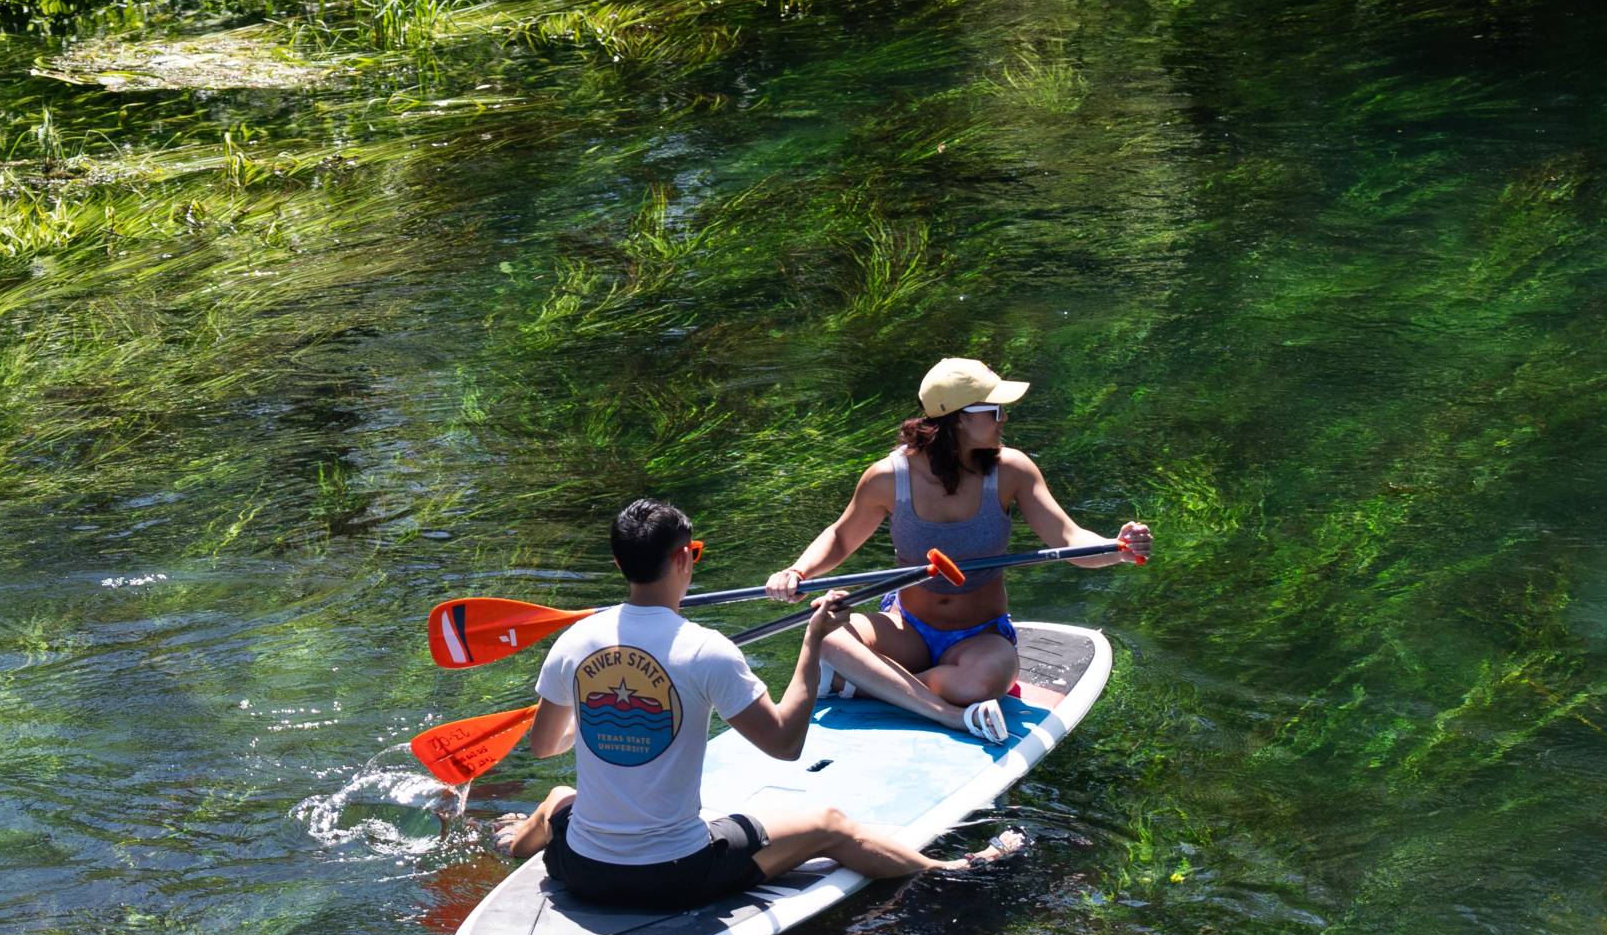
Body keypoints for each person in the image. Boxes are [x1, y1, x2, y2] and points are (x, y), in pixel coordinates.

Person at [493, 496, 1022, 907]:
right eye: (694, 554)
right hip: (677, 874)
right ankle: (953, 871)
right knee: (831, 823)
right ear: (684, 558)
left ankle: (517, 838)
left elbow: (545, 746)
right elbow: (785, 744)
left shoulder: (574, 641)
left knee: (563, 793)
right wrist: (813, 644)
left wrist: (593, 716)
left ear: (618, 563)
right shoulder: (707, 650)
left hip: (583, 868)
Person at [767, 354, 1151, 737]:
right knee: (826, 634)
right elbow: (840, 536)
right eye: (995, 410)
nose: (1004, 419)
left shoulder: (1011, 470)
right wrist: (797, 572)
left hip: (980, 637)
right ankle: (944, 711)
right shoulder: (887, 478)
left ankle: (871, 683)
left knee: (981, 685)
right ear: (959, 417)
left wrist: (1115, 547)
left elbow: (1068, 539)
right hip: (908, 630)